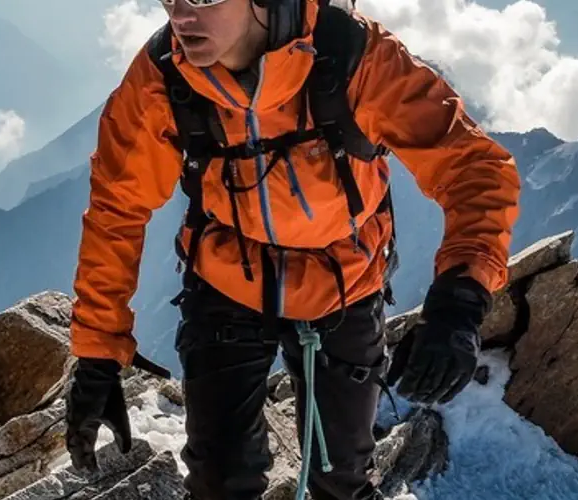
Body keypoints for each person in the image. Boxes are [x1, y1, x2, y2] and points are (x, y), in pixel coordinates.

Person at [61, 0, 520, 498]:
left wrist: (459, 303)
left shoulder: (352, 55)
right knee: (219, 483)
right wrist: (98, 354)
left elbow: (474, 169)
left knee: (339, 483)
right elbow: (117, 206)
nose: (181, 15)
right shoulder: (161, 79)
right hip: (226, 279)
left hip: (346, 281)